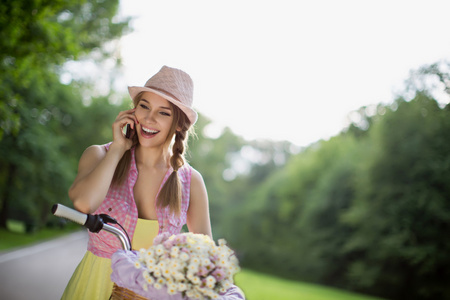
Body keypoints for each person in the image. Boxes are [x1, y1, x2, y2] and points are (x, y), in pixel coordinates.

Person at [61, 66, 214, 299]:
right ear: (133, 110)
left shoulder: (191, 181)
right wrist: (118, 150)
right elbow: (83, 203)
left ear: (180, 125)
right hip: (94, 286)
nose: (149, 119)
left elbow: (204, 257)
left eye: (164, 113)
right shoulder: (100, 155)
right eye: (144, 106)